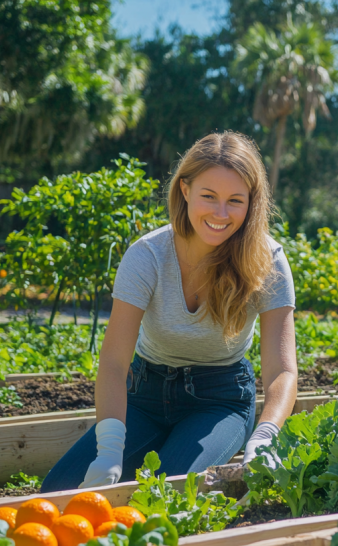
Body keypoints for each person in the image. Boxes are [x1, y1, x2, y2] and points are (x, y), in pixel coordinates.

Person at [40, 131, 298, 492]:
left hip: (219, 402)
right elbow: (114, 362)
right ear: (185, 190)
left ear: (252, 203)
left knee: (166, 496)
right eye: (209, 196)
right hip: (143, 397)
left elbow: (281, 370)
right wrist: (110, 449)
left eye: (235, 200)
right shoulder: (147, 256)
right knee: (57, 493)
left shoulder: (267, 260)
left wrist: (266, 434)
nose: (220, 214)